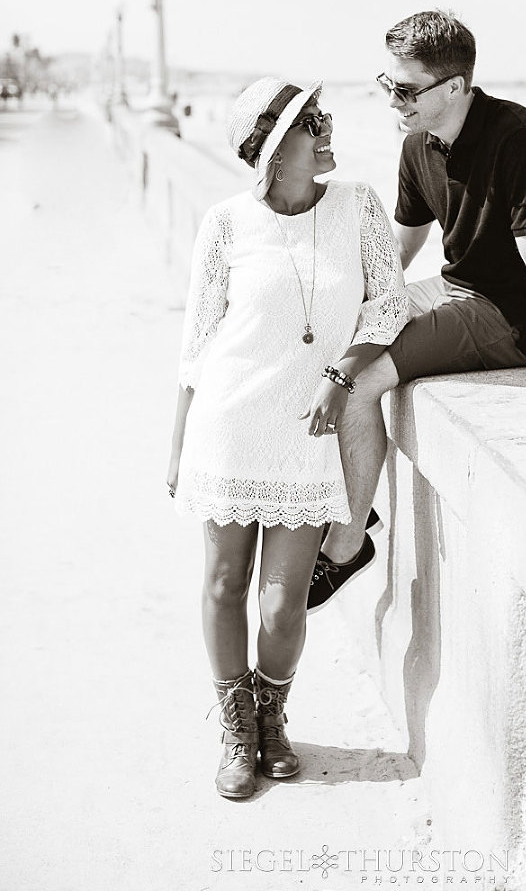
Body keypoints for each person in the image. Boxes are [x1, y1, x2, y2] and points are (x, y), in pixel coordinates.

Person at [166, 76, 408, 799]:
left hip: (306, 433)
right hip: (229, 423)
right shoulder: (226, 223)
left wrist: (343, 372)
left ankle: (274, 717)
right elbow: (198, 340)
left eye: (324, 118)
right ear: (275, 149)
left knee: (281, 604)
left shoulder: (358, 206)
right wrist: (177, 446)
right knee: (223, 582)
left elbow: (389, 304)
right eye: (313, 123)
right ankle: (239, 733)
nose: (329, 131)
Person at [307, 10, 526, 612]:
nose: (394, 102)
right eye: (388, 86)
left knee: (357, 383)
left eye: (407, 90)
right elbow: (398, 250)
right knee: (327, 341)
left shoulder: (524, 143)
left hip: (507, 317)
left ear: (456, 87)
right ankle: (323, 499)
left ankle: (347, 546)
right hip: (452, 286)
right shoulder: (418, 146)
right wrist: (335, 295)